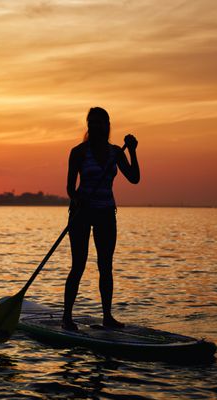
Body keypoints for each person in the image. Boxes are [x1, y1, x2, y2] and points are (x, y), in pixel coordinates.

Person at [62, 107, 140, 331]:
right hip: (81, 214)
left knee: (106, 266)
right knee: (78, 265)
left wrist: (133, 151)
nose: (95, 126)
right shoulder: (77, 152)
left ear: (107, 126)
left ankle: (107, 317)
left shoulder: (116, 152)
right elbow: (69, 188)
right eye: (91, 123)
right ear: (88, 126)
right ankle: (67, 317)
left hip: (106, 213)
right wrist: (77, 200)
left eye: (99, 123)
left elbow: (134, 178)